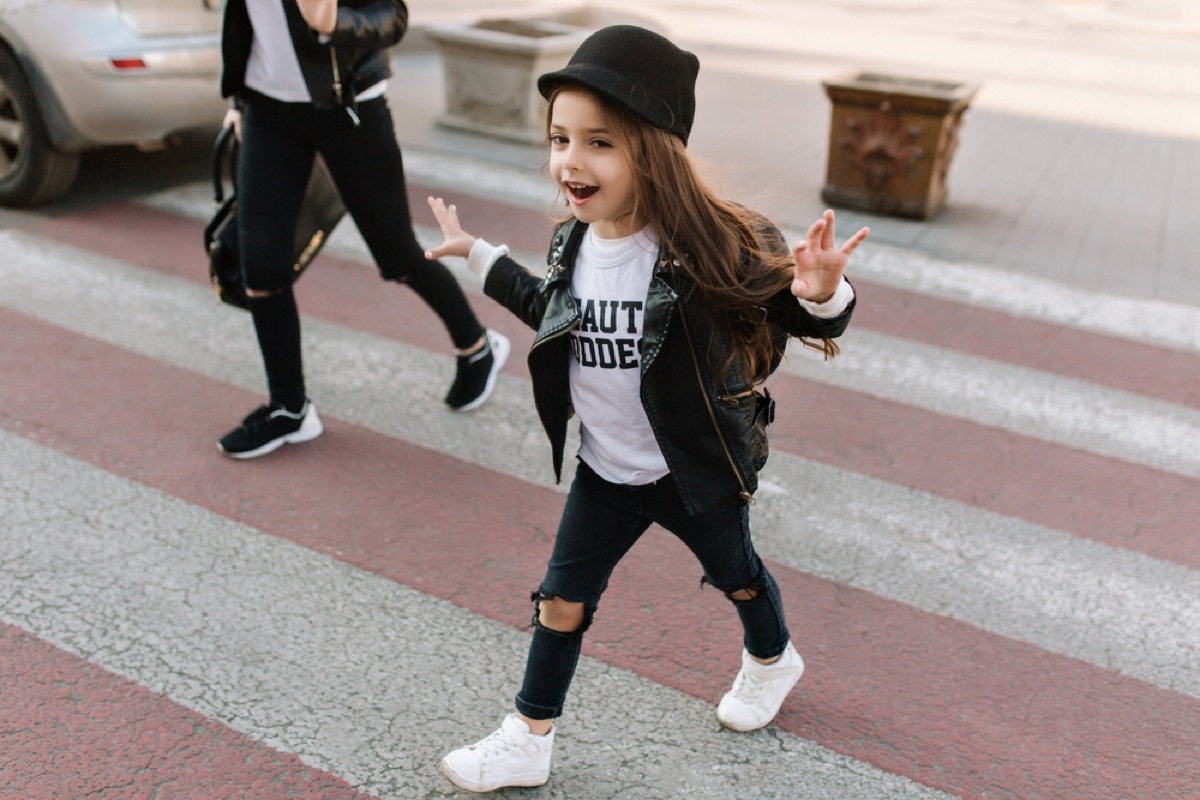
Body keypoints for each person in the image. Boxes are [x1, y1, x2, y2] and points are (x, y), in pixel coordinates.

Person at [423, 24, 869, 793]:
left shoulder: (708, 247)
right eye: (561, 137)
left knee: (738, 577)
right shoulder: (574, 242)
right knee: (561, 598)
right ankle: (528, 735)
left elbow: (801, 316)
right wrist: (479, 255)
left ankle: (772, 659)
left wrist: (821, 289)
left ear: (652, 151)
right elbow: (548, 307)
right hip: (606, 468)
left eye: (600, 142)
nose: (570, 159)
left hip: (690, 469)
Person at [215, 0, 509, 459]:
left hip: (348, 104)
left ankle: (477, 346)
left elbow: (393, 16)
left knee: (397, 255)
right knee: (261, 267)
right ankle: (289, 408)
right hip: (267, 108)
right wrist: (238, 100)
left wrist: (334, 23)